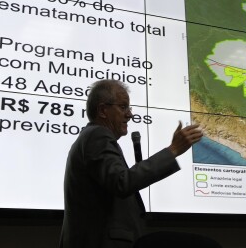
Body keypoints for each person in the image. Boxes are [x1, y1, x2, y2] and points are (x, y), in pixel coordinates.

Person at [59, 79, 203, 248]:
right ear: (103, 110)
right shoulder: (97, 135)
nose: (130, 114)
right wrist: (173, 150)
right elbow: (122, 182)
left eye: (129, 108)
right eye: (123, 107)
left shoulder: (92, 136)